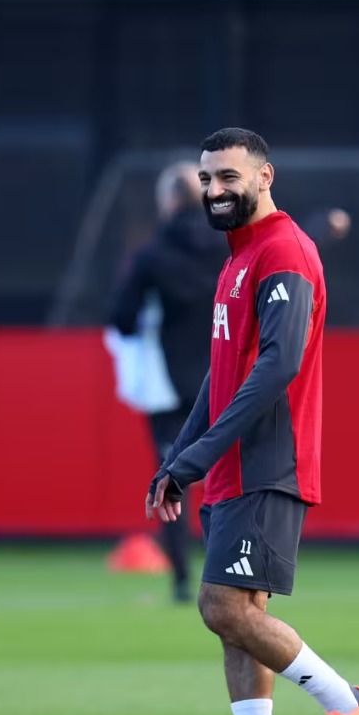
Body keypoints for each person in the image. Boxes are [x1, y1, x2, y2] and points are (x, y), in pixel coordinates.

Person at [149, 128, 359, 715]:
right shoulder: (238, 257)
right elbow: (220, 376)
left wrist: (199, 455)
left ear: (264, 176)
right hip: (234, 465)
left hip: (268, 461)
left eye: (229, 177)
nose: (216, 190)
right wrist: (180, 457)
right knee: (238, 610)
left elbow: (279, 365)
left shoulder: (283, 249)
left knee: (221, 605)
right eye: (207, 180)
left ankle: (349, 703)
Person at [109, 161, 228, 603]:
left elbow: (122, 317)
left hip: (169, 385)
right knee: (228, 477)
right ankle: (235, 573)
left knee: (172, 479)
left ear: (168, 202)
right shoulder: (229, 245)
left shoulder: (151, 256)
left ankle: (181, 579)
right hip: (225, 377)